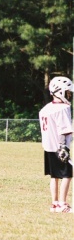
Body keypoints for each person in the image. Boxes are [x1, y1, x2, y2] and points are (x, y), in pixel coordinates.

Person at [39, 76, 73, 213]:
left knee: (55, 176)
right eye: (68, 92)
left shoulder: (46, 108)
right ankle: (62, 204)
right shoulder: (63, 108)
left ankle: (54, 204)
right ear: (60, 92)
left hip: (48, 147)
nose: (70, 95)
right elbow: (63, 129)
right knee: (68, 174)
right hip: (59, 148)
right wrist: (63, 146)